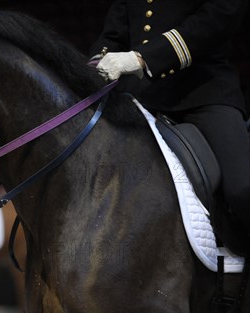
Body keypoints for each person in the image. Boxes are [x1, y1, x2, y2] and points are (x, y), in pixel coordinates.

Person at [90, 0, 250, 245]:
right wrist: (91, 71)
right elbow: (114, 34)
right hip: (139, 99)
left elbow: (217, 19)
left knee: (242, 188)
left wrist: (142, 58)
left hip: (203, 92)